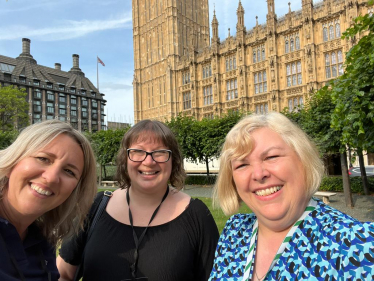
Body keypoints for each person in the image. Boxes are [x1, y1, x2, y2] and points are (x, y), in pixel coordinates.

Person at [209, 112, 374, 281]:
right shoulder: (235, 232)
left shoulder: (359, 245)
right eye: (242, 165)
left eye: (271, 157)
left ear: (303, 160)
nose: (258, 174)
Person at [58, 120, 219, 281]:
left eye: (160, 152)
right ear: (125, 159)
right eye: (137, 152)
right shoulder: (96, 206)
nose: (148, 161)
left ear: (173, 160)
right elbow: (63, 273)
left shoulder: (197, 216)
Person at [0, 120, 97, 281]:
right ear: (14, 160)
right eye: (43, 158)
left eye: (69, 171)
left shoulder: (42, 244)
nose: (51, 178)